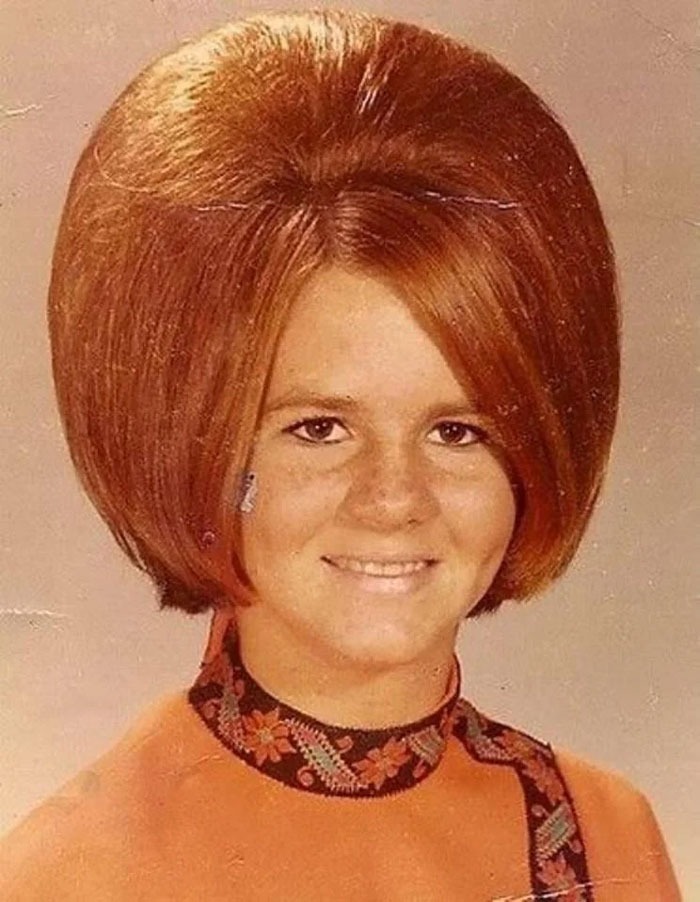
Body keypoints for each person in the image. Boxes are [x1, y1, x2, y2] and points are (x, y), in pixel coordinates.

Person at [0, 8, 681, 900]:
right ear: (197, 448)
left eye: (457, 431)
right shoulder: (74, 874)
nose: (394, 499)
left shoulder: (598, 832)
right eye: (320, 428)